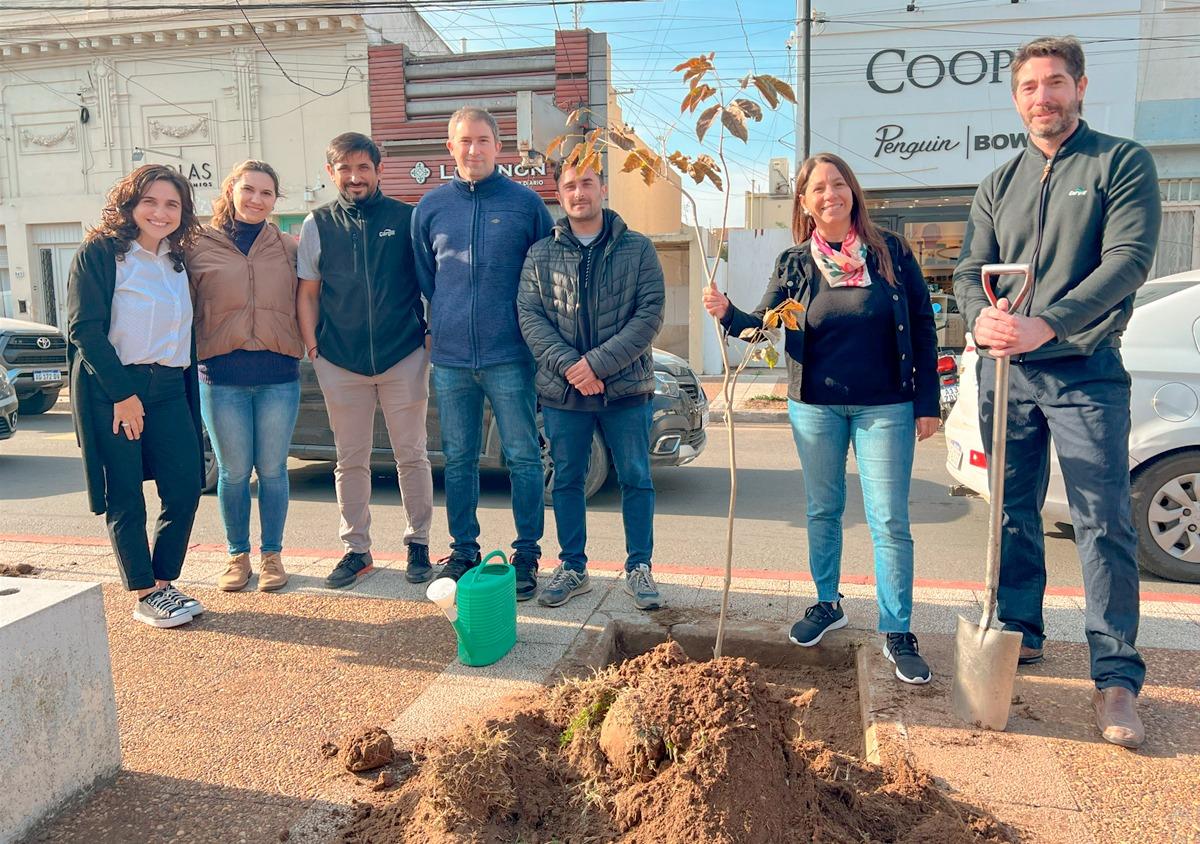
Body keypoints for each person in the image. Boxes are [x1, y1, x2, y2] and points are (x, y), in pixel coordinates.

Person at [953, 36, 1161, 749]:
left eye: (1055, 84)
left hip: (1084, 369)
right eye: (1030, 87)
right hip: (1005, 376)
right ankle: (1020, 633)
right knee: (1010, 509)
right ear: (1016, 99)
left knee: (1102, 522)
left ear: (1078, 88)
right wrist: (977, 319)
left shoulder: (1119, 162)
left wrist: (1050, 324)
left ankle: (1115, 679)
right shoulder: (998, 182)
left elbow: (1128, 260)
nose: (1042, 97)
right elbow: (966, 270)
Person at [703, 153, 939, 684]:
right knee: (823, 510)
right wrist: (725, 312)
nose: (829, 194)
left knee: (889, 521)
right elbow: (761, 327)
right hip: (815, 406)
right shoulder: (795, 262)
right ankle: (828, 604)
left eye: (838, 184)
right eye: (818, 188)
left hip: (887, 406)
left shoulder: (891, 252)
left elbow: (923, 325)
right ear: (805, 203)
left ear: (852, 192)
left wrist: (927, 402)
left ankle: (897, 628)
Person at [412, 106, 554, 599]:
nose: (473, 150)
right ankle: (464, 549)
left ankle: (528, 555)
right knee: (458, 458)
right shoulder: (430, 208)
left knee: (521, 456)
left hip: (511, 355)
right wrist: (444, 322)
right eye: (463, 141)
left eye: (482, 141)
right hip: (450, 358)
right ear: (450, 148)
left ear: (499, 147)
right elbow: (427, 279)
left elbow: (544, 276)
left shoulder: (526, 205)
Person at [518, 161, 666, 609]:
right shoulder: (540, 253)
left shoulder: (638, 248)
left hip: (626, 388)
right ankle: (573, 566)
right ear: (559, 195)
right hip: (563, 391)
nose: (579, 192)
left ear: (603, 187)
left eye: (587, 183)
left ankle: (639, 566)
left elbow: (650, 314)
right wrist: (571, 367)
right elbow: (530, 315)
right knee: (566, 480)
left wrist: (597, 365)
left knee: (637, 478)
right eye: (569, 186)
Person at [66, 164, 206, 628]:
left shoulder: (176, 261)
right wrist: (123, 395)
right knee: (126, 494)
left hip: (168, 389)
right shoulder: (103, 253)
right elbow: (84, 329)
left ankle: (165, 581)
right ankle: (144, 591)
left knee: (185, 486)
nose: (161, 212)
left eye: (172, 204)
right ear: (130, 204)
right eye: (150, 201)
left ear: (182, 211)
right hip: (115, 389)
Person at [296, 133, 434, 589]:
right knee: (349, 458)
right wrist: (312, 348)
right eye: (344, 169)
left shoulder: (407, 218)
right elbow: (308, 291)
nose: (354, 177)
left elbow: (428, 283)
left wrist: (428, 335)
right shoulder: (317, 223)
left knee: (411, 455)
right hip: (339, 361)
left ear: (378, 169)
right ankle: (357, 550)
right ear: (331, 172)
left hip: (403, 356)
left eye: (363, 168)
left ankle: (418, 544)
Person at [188, 160, 302, 593]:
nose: (256, 200)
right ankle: (238, 555)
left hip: (279, 376)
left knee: (272, 469)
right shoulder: (198, 244)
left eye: (266, 193)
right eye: (249, 190)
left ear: (275, 201)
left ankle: (272, 555)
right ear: (231, 190)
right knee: (234, 472)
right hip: (220, 377)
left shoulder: (289, 247)